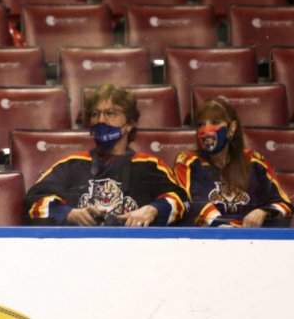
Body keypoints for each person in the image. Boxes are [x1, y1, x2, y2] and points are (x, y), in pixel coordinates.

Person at [25, 84, 188, 226]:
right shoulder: (71, 164)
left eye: (110, 113)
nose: (101, 120)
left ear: (129, 124)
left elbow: (183, 201)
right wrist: (68, 213)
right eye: (95, 114)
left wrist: (154, 210)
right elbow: (33, 201)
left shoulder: (151, 165)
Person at [174, 97, 292, 227]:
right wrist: (230, 230)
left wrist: (263, 211)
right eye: (201, 124)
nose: (206, 130)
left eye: (215, 122)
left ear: (231, 128)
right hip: (207, 240)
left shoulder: (254, 161)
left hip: (251, 240)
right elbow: (194, 206)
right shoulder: (187, 163)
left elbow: (284, 204)